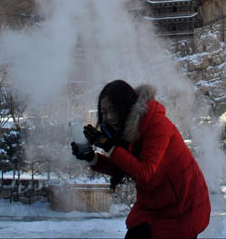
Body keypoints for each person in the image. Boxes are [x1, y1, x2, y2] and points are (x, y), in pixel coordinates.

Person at [71, 80, 211, 239]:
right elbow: (125, 166)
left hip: (183, 206)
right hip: (155, 203)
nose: (109, 117)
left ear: (126, 107)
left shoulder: (156, 124)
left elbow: (145, 171)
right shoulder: (125, 130)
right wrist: (92, 158)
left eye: (113, 110)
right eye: (104, 112)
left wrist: (108, 145)